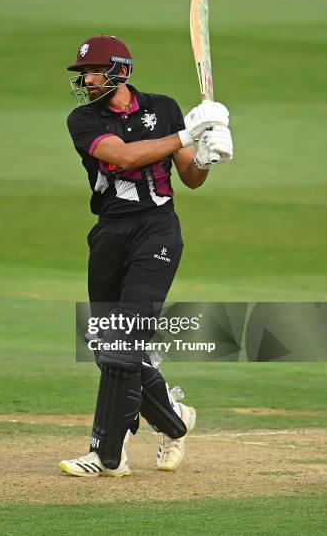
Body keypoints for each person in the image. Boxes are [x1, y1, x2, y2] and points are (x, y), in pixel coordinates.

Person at [59, 35, 232, 477]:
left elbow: (190, 177)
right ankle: (173, 420)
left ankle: (106, 457)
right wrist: (187, 132)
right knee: (106, 346)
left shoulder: (165, 107)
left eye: (94, 71)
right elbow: (121, 157)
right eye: (84, 73)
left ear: (122, 71)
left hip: (156, 231)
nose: (87, 80)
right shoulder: (82, 119)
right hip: (109, 235)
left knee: (123, 343)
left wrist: (209, 151)